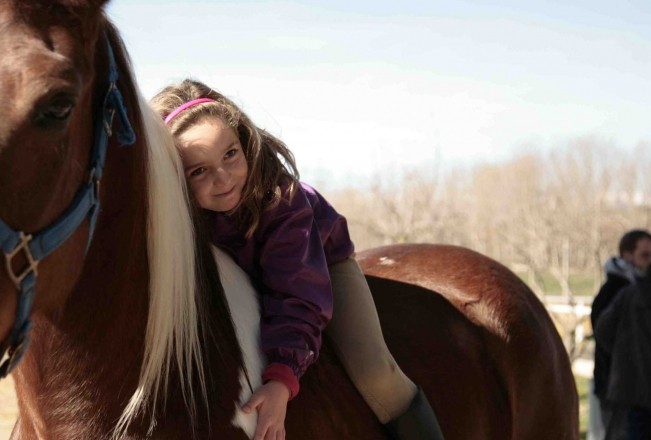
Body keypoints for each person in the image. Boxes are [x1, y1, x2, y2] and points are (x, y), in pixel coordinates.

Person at [151, 79, 444, 440]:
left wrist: (281, 378)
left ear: (245, 143)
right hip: (247, 274)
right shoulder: (180, 218)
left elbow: (297, 293)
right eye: (199, 170)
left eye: (230, 154)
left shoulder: (281, 202)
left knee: (376, 375)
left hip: (316, 264)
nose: (224, 178)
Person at [594, 230, 651, 440]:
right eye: (644, 255)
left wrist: (630, 366)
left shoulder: (630, 293)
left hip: (632, 393)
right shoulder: (617, 291)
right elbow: (603, 331)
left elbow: (603, 331)